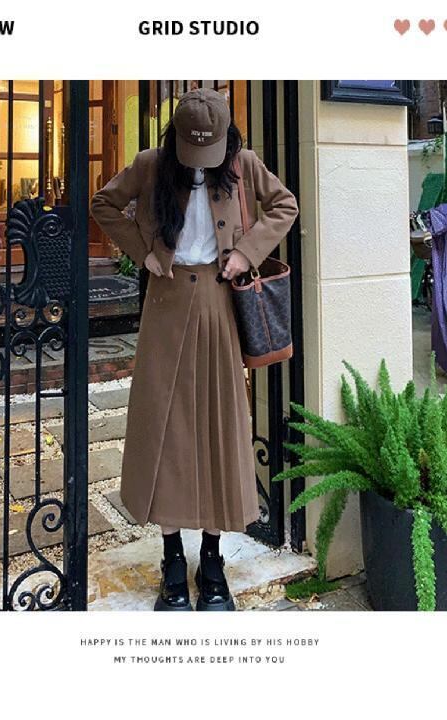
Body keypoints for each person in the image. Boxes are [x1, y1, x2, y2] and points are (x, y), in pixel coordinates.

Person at [90, 88, 298, 611]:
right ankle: (170, 558)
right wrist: (144, 252)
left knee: (216, 427)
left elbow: (285, 205)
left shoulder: (244, 165)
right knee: (165, 431)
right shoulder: (152, 164)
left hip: (218, 305)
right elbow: (104, 203)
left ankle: (211, 558)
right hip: (165, 307)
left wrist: (245, 253)